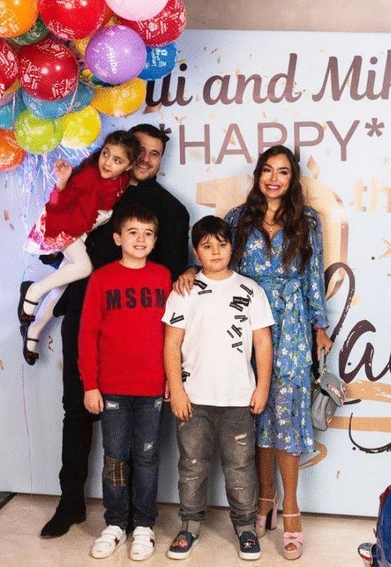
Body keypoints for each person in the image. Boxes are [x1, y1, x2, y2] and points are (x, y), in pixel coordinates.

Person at [175, 146, 333, 560]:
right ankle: (264, 499)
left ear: (292, 178)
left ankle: (292, 511)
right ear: (258, 175)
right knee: (255, 413)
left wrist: (320, 325)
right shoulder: (237, 219)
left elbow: (313, 275)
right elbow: (215, 260)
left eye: (283, 172)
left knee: (286, 418)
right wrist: (190, 270)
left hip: (292, 325)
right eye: (267, 170)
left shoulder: (307, 220)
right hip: (244, 323)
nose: (274, 179)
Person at [40, 123, 190, 538]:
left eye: (155, 153)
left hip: (139, 332)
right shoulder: (94, 185)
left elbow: (174, 281)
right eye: (139, 149)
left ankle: (139, 518)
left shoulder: (172, 211)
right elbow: (58, 236)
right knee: (77, 406)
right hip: (86, 312)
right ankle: (70, 501)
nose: (145, 158)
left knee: (139, 434)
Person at [163, 215, 274, 561]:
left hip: (238, 398)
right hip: (194, 399)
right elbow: (171, 343)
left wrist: (263, 387)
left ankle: (245, 527)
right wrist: (177, 390)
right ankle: (189, 526)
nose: (215, 252)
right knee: (192, 466)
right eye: (207, 246)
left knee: (240, 467)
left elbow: (263, 342)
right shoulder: (184, 290)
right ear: (196, 252)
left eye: (221, 245)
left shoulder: (251, 290)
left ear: (231, 247)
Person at [78, 204, 172, 560]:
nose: (140, 239)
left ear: (155, 241)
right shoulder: (102, 278)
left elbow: (175, 333)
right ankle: (116, 523)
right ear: (118, 238)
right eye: (133, 232)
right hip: (112, 387)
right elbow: (87, 334)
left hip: (152, 388)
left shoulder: (164, 277)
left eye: (148, 234)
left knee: (147, 457)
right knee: (116, 457)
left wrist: (172, 378)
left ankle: (144, 525)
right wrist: (90, 384)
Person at [17, 130, 140, 365]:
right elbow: (58, 203)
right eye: (106, 154)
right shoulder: (88, 177)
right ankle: (32, 291)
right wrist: (62, 183)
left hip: (80, 231)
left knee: (61, 287)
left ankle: (33, 331)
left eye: (117, 160)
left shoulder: (121, 180)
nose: (107, 162)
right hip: (65, 225)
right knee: (84, 267)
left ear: (128, 166)